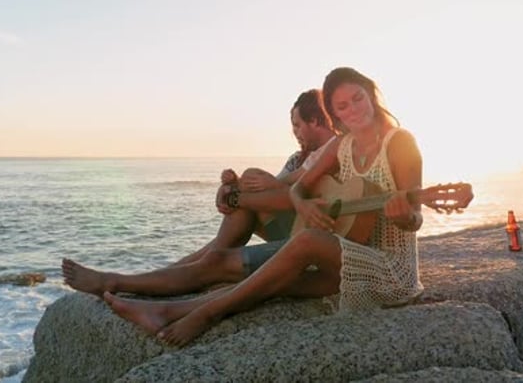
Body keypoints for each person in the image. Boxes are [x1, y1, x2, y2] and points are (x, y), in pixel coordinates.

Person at [102, 66, 425, 347]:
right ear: (335, 114)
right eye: (342, 105)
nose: (353, 109)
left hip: (390, 270)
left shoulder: (399, 143)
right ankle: (163, 312)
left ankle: (206, 315)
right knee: (270, 283)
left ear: (371, 94)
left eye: (358, 97)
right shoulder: (341, 145)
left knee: (304, 243)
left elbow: (415, 219)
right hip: (345, 256)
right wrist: (306, 207)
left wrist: (405, 216)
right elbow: (298, 188)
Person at [62, 89, 336, 297]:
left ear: (315, 120)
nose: (295, 133)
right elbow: (269, 194)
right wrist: (232, 187)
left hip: (309, 235)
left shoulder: (333, 152)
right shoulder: (297, 159)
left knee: (219, 248)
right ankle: (170, 276)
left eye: (298, 126)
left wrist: (236, 195)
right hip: (292, 227)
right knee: (226, 233)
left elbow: (284, 196)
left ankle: (152, 279)